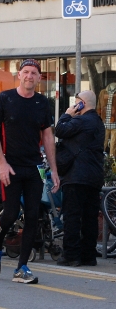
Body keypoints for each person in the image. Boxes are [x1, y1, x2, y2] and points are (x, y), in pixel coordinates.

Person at [0, 58, 59, 284]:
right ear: (19, 75)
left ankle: (22, 267)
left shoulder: (42, 103)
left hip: (35, 167)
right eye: (26, 72)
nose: (29, 76)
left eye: (34, 73)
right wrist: (2, 163)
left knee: (33, 216)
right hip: (11, 166)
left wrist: (53, 170)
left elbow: (47, 136)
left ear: (39, 78)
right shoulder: (5, 98)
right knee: (10, 214)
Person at [55, 90, 104, 267]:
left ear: (81, 103)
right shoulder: (98, 122)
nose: (75, 105)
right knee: (90, 217)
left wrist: (66, 114)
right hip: (94, 176)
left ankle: (71, 255)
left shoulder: (81, 120)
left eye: (76, 102)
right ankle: (88, 255)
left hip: (76, 176)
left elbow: (60, 130)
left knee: (73, 216)